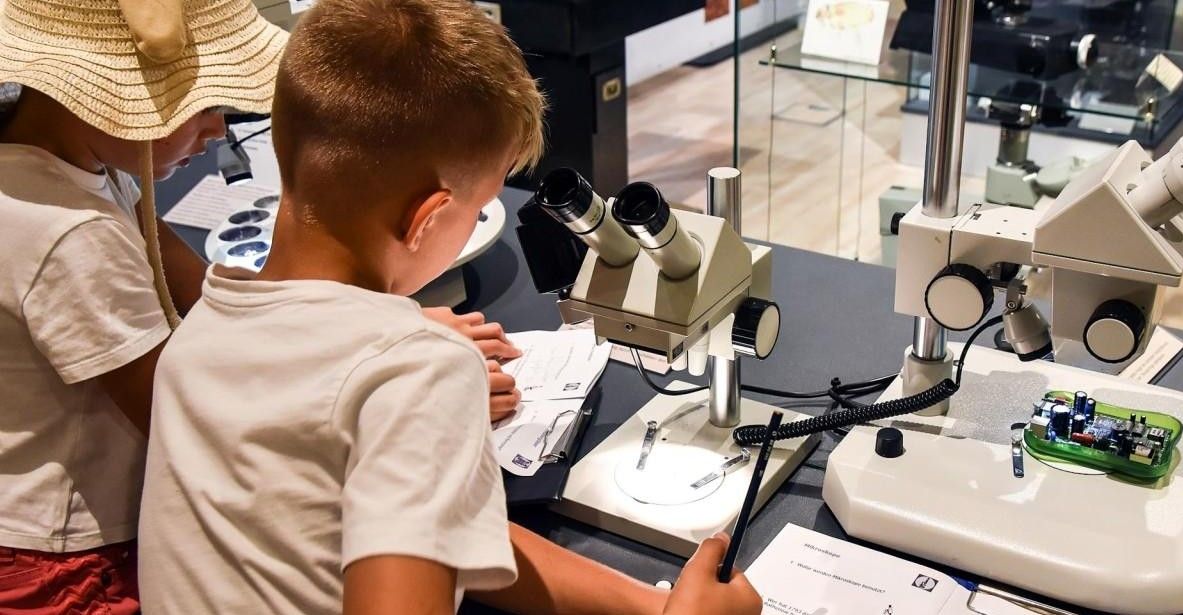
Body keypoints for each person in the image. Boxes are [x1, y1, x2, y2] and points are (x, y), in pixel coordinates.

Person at [137, 0, 762, 613]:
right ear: (428, 218)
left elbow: (445, 533)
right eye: (483, 200)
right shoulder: (419, 372)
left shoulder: (197, 338)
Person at [0, 0, 286, 611]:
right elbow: (182, 421)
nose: (219, 131)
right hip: (65, 558)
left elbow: (203, 287)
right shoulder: (69, 235)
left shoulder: (68, 162)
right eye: (204, 104)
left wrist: (370, 329)